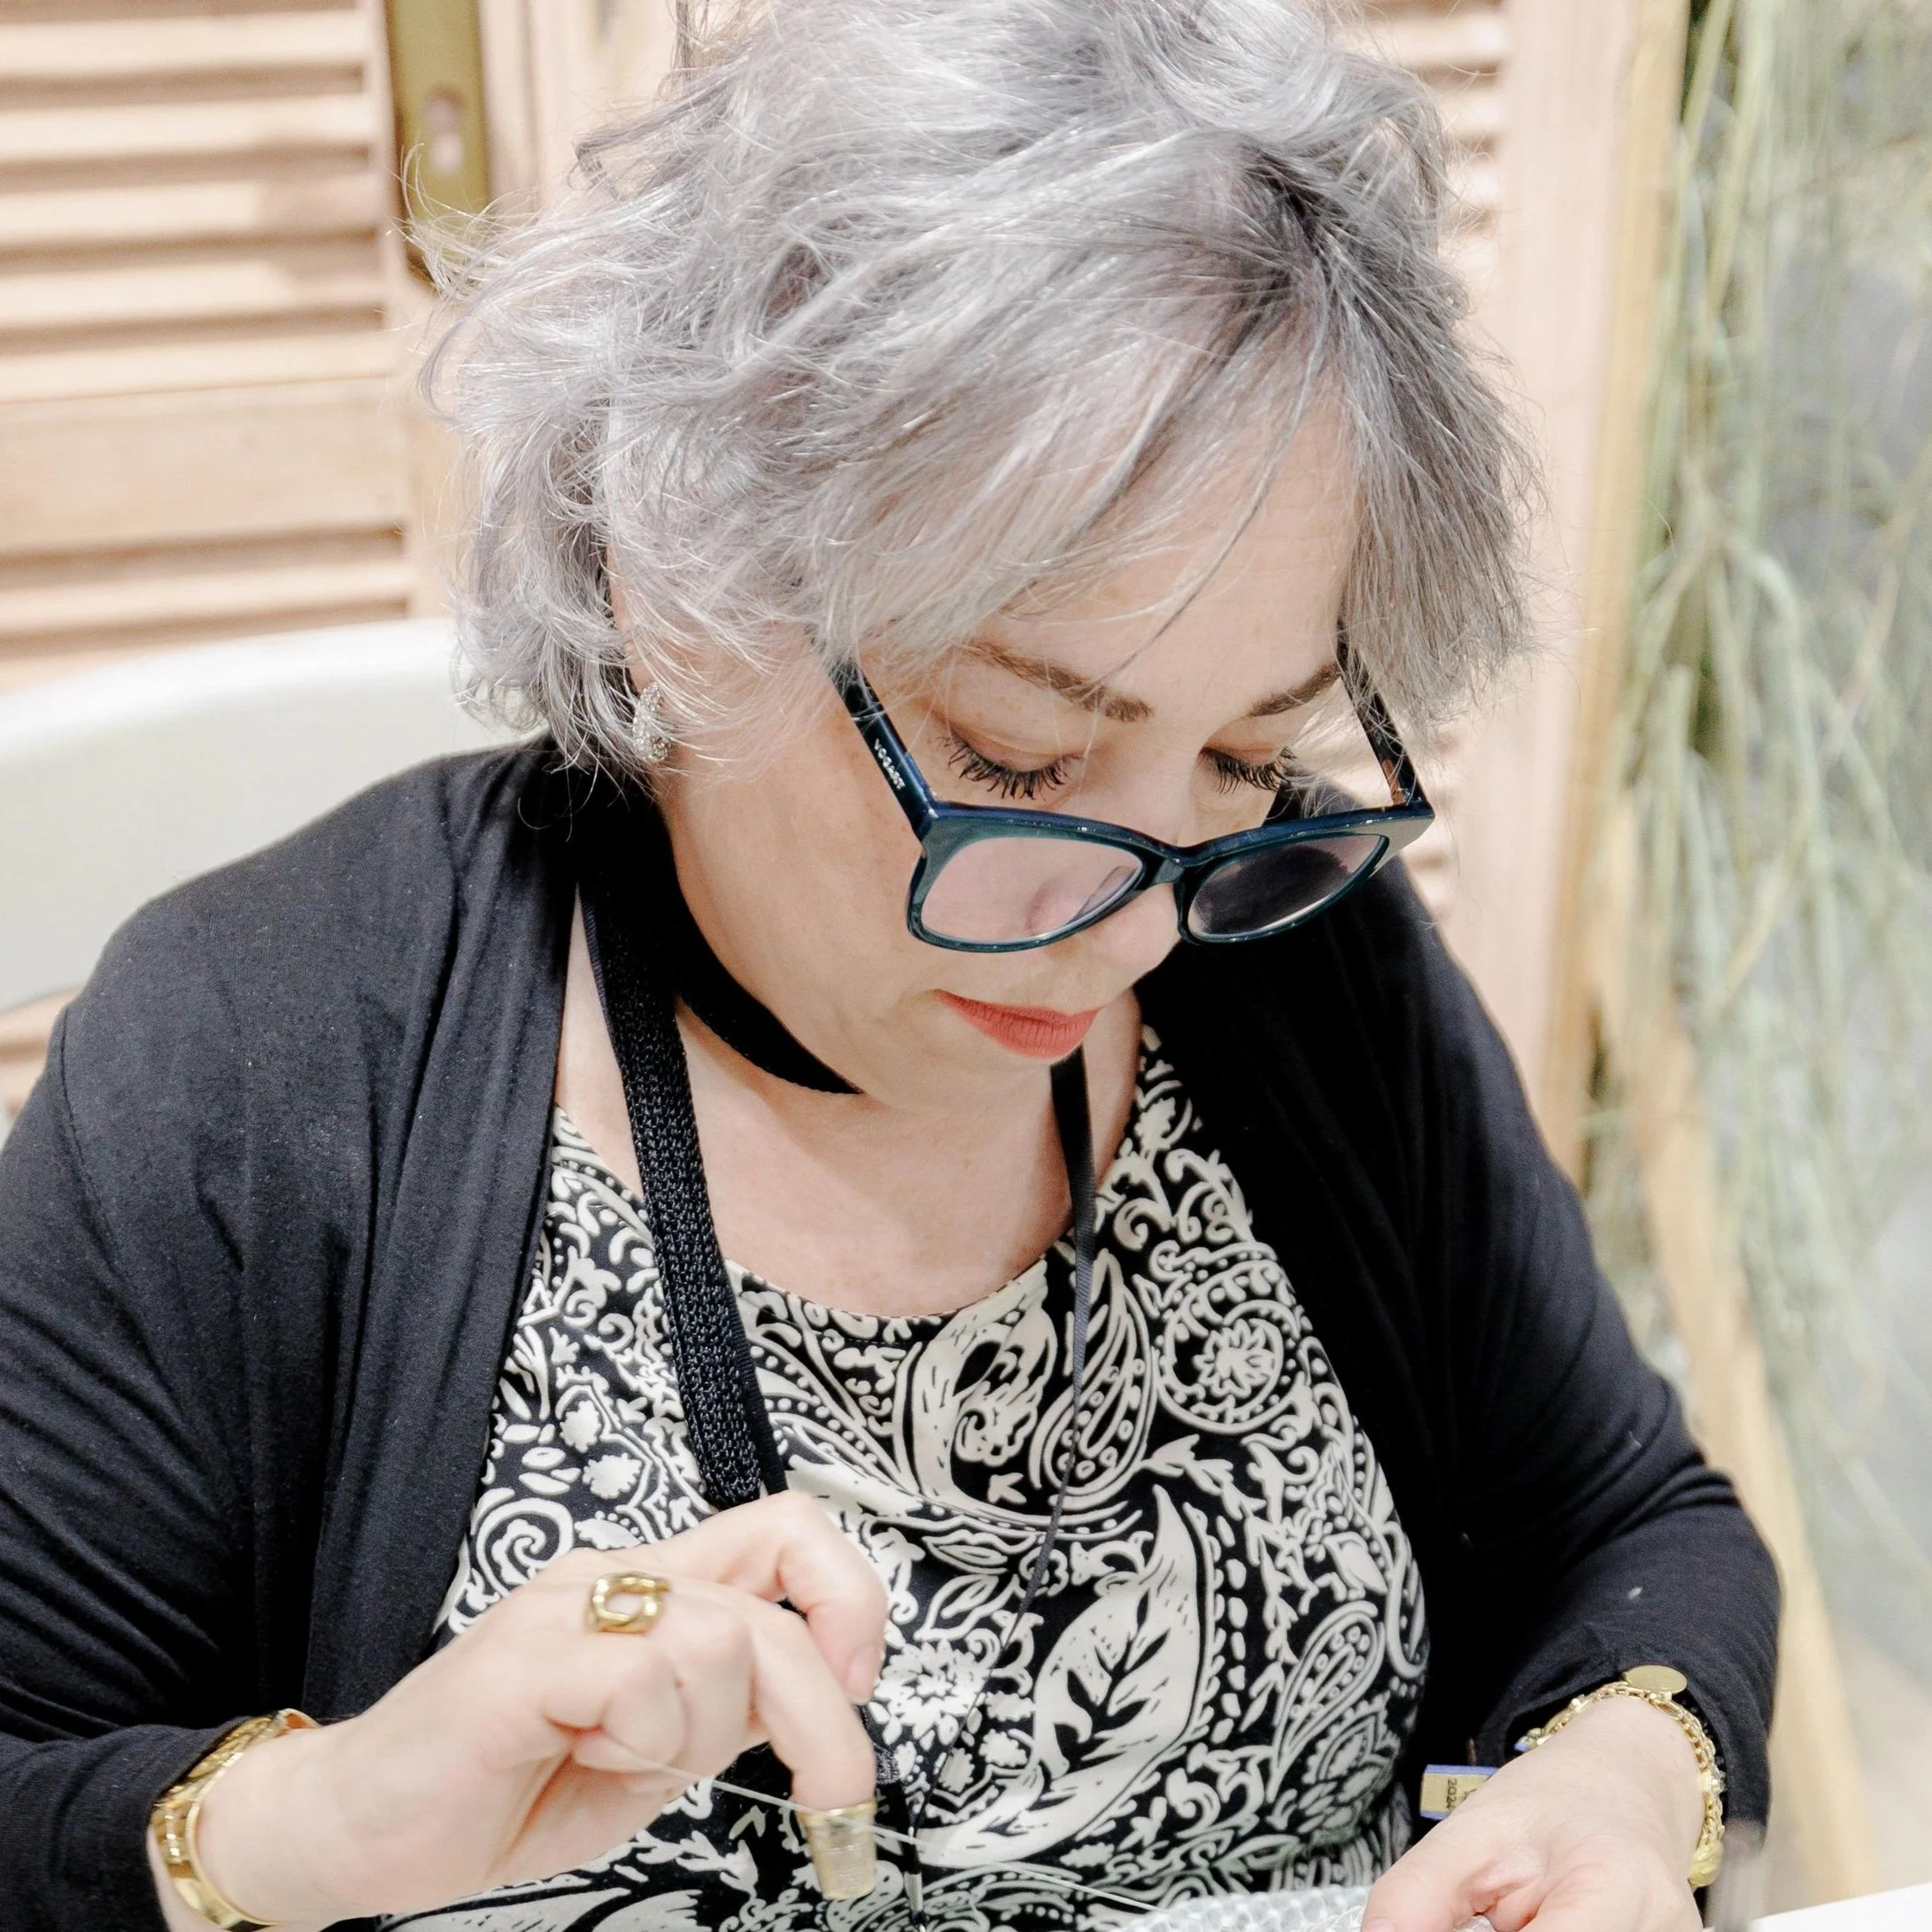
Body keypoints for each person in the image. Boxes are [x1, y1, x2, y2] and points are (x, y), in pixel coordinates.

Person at [0, 2, 1775, 1929]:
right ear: (673, 571)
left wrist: (1612, 1781)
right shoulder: (261, 1066)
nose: (1131, 922)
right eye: (1015, 761)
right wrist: (302, 1818)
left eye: (1248, 757)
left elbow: (1625, 1525)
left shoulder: (1296, 970)